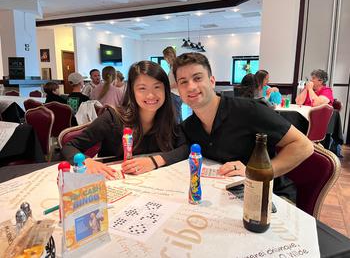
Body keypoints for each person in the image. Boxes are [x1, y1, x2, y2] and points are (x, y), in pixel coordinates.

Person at [173, 53, 313, 200]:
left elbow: (304, 146)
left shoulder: (249, 110)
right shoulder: (189, 126)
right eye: (183, 82)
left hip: (271, 195)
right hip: (225, 194)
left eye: (197, 78)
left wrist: (254, 173)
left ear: (212, 81)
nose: (191, 87)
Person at [62, 61, 188, 180]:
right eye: (142, 88)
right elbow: (69, 146)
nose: (151, 95)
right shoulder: (113, 118)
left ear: (166, 90)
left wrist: (154, 161)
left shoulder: (168, 118)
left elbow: (185, 148)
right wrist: (87, 162)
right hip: (116, 182)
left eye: (157, 87)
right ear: (132, 91)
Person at [163, 46, 182, 123]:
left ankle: (177, 133)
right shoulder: (173, 66)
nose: (164, 59)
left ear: (169, 56)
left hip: (175, 94)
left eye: (165, 56)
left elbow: (178, 82)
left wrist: (167, 87)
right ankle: (180, 132)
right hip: (174, 94)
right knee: (177, 114)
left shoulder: (175, 66)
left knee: (175, 116)